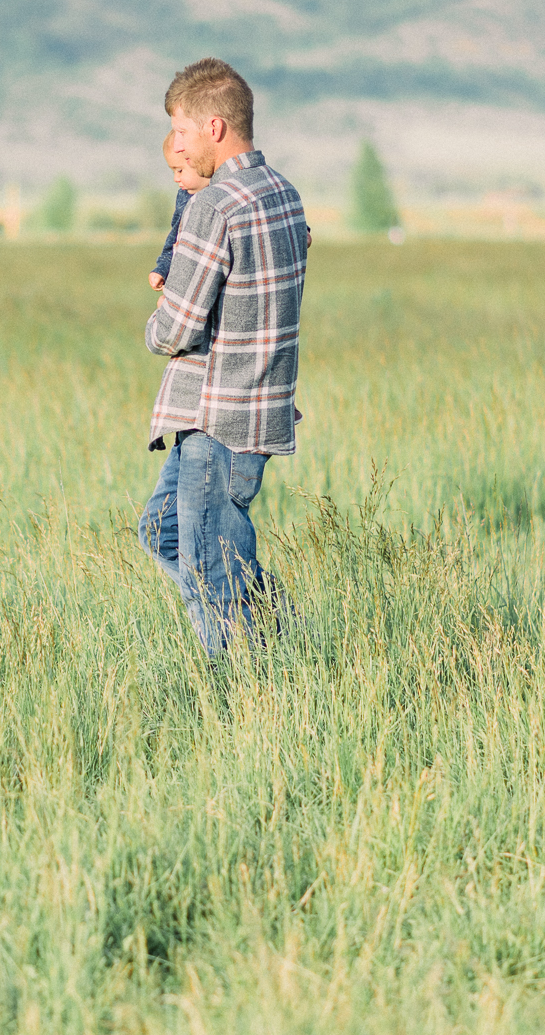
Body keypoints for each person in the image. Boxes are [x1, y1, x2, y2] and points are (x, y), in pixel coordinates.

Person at [137, 58, 307, 655]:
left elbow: (177, 327)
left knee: (210, 572)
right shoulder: (284, 194)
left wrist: (153, 326)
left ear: (213, 128)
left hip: (217, 415)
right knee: (163, 531)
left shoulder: (215, 206)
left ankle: (243, 690)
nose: (174, 146)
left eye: (180, 131)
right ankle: (284, 635)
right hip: (258, 410)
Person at [149, 130, 213, 291]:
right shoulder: (184, 196)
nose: (175, 179)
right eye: (173, 172)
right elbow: (174, 238)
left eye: (179, 170)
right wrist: (162, 269)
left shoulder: (220, 195)